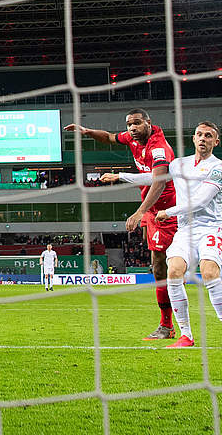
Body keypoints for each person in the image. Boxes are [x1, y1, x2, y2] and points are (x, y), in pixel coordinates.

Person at [74, 109, 177, 340]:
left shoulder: (158, 147)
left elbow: (159, 181)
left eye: (137, 123)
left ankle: (171, 325)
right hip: (152, 211)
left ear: (149, 123)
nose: (132, 128)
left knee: (166, 267)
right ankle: (167, 325)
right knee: (158, 266)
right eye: (129, 124)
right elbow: (110, 137)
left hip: (168, 211)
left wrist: (139, 212)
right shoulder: (132, 138)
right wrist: (88, 131)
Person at [141, 121, 222, 350]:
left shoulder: (220, 168)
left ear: (216, 141)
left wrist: (169, 212)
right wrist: (120, 178)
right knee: (173, 272)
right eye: (199, 134)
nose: (203, 139)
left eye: (208, 135)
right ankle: (185, 335)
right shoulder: (178, 164)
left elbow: (201, 201)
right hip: (186, 230)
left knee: (209, 273)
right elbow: (153, 179)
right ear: (193, 138)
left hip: (210, 227)